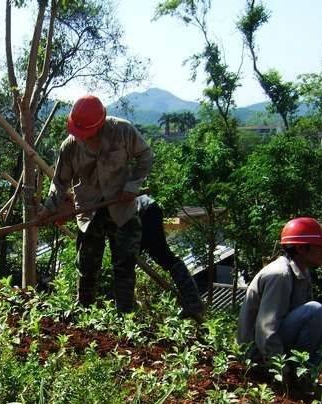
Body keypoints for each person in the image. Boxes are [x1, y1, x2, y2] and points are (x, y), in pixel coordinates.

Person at [43, 95, 151, 313]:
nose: (83, 137)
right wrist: (49, 207)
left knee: (124, 267)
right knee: (87, 267)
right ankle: (84, 316)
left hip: (122, 209)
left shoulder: (123, 132)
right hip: (89, 212)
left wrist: (132, 185)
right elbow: (59, 181)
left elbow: (146, 156)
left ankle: (125, 317)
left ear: (100, 123)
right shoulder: (70, 146)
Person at [237, 217, 322, 367]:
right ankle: (295, 375)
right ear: (300, 248)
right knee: (315, 310)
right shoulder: (280, 275)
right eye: (319, 247)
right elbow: (266, 330)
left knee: (319, 318)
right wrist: (279, 369)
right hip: (258, 354)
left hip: (272, 346)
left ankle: (305, 374)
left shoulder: (301, 273)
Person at [137, 196, 204, 319]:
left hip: (143, 211)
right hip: (144, 210)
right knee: (159, 256)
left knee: (162, 256)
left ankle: (193, 302)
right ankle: (193, 302)